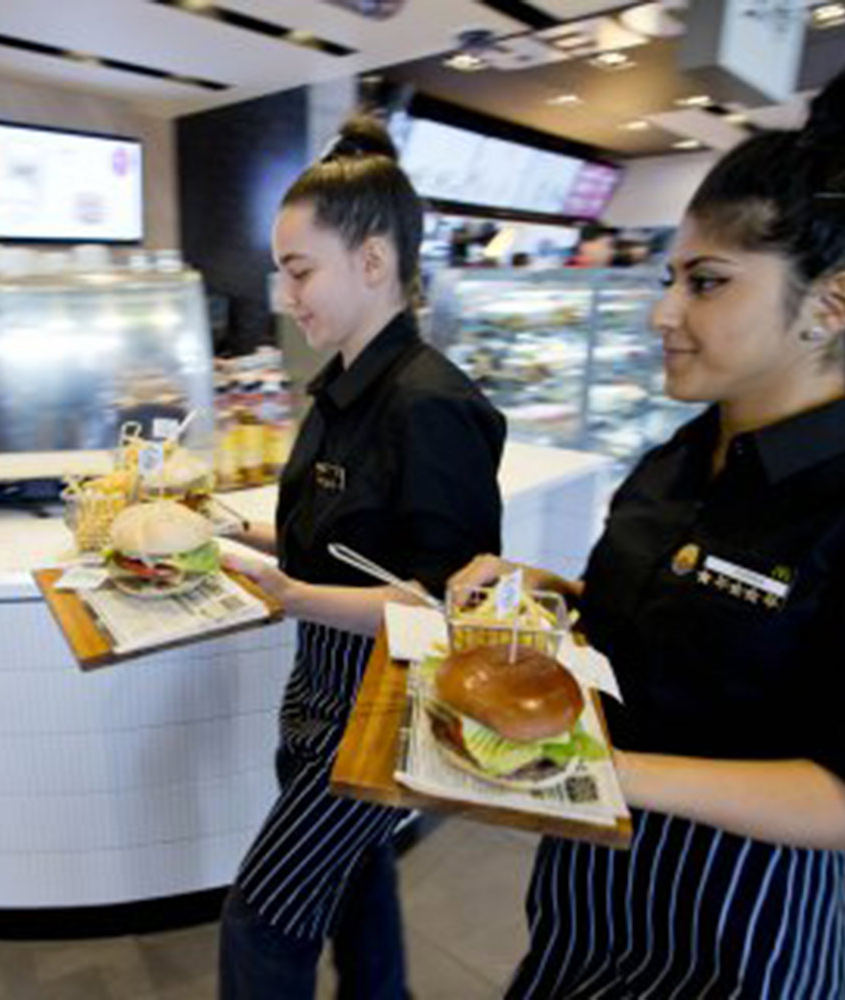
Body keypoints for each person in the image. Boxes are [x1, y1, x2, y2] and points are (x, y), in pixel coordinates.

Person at [449, 64, 845, 999]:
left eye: (706, 283)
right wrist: (552, 589)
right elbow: (694, 629)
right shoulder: (683, 453)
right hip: (587, 887)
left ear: (832, 304)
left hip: (736, 936)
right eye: (671, 277)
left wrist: (612, 770)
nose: (664, 312)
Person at [222, 114, 507, 998]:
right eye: (283, 272)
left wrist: (293, 596)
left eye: (300, 270)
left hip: (379, 713)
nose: (288, 294)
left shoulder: (430, 406)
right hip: (318, 693)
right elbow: (339, 545)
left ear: (374, 261)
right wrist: (229, 536)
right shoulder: (340, 391)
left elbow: (450, 607)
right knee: (356, 887)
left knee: (264, 917)